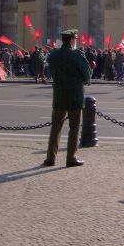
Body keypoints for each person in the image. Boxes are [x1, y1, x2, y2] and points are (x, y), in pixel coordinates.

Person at [43, 29, 93, 167]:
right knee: (74, 127)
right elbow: (88, 73)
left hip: (59, 95)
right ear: (71, 40)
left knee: (55, 128)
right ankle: (71, 158)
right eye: (75, 39)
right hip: (74, 96)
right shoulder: (76, 54)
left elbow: (51, 70)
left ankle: (50, 158)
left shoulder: (54, 55)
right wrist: (83, 79)